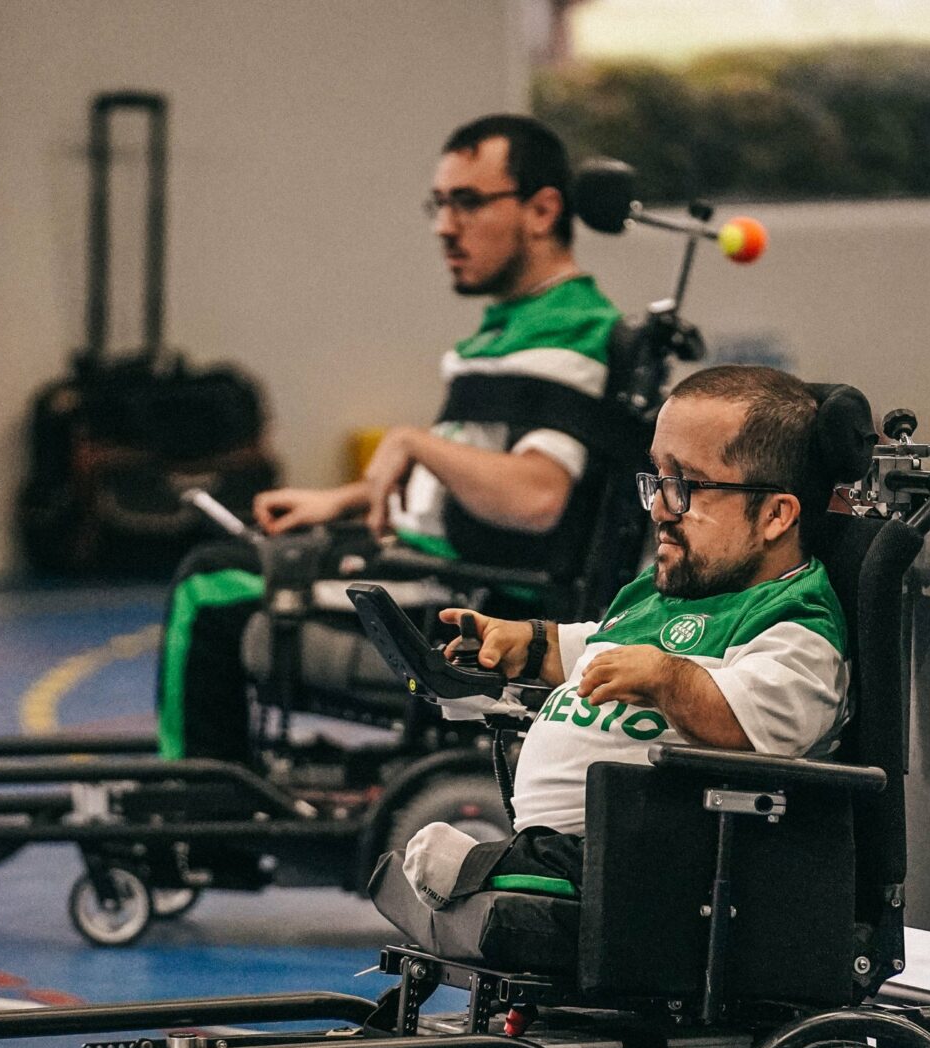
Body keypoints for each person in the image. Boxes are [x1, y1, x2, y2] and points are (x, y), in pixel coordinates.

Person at [158, 113, 622, 761]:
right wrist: (343, 500)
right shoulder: (517, 325)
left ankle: (200, 835)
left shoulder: (568, 328)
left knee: (209, 585)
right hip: (426, 559)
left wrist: (412, 441)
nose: (444, 227)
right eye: (439, 203)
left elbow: (535, 496)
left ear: (543, 210)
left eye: (467, 202)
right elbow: (475, 471)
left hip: (457, 595)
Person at [396, 364, 850, 914]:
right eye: (657, 480)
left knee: (452, 871)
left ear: (775, 515)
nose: (659, 507)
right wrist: (532, 643)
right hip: (570, 846)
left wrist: (668, 677)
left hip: (655, 875)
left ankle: (496, 872)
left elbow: (750, 722)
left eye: (685, 485)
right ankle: (510, 866)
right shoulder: (666, 592)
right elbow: (601, 648)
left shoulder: (794, 625)